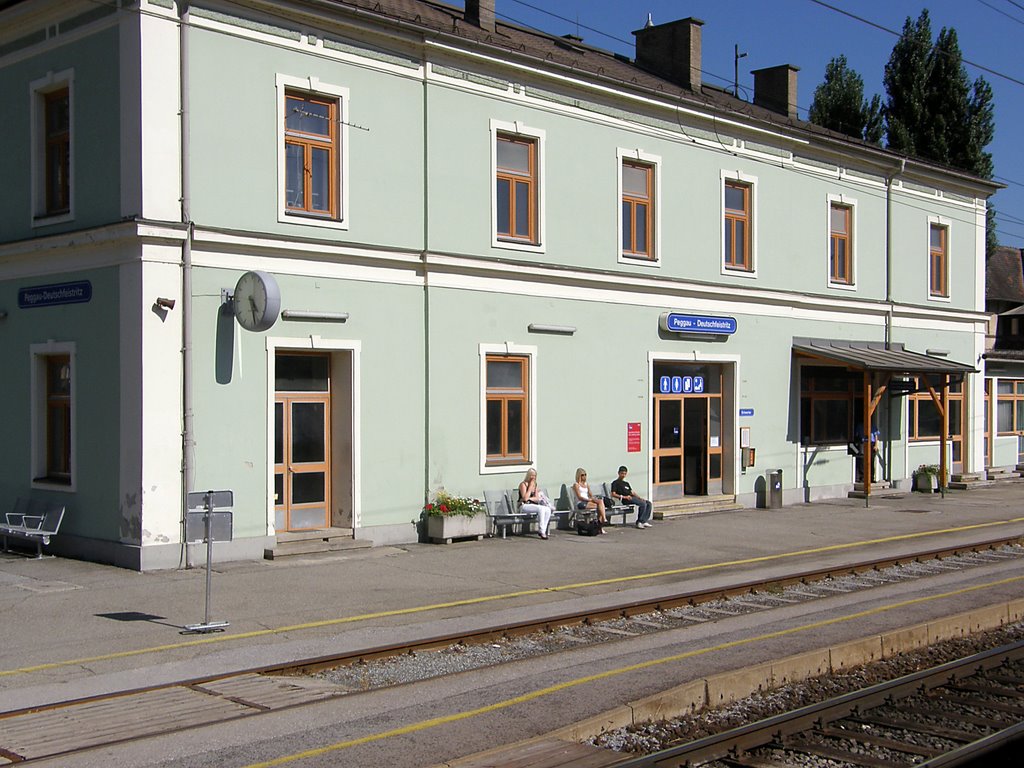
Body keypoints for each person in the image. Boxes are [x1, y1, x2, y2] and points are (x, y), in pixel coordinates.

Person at [519, 468, 553, 539]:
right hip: (524, 506)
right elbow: (525, 498)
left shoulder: (535, 485)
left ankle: (543, 529)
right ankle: (541, 530)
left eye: (534, 476)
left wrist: (530, 498)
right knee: (541, 508)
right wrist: (530, 488)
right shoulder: (523, 484)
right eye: (531, 476)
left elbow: (537, 499)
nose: (533, 478)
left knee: (547, 509)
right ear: (528, 475)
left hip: (533, 505)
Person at [572, 467, 607, 533]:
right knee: (600, 507)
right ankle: (602, 522)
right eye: (582, 475)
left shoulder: (586, 484)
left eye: (585, 475)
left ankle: (601, 523)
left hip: (587, 501)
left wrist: (593, 499)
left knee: (600, 504)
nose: (584, 476)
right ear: (579, 475)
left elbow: (590, 494)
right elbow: (579, 497)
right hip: (580, 503)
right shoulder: (576, 485)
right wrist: (589, 500)